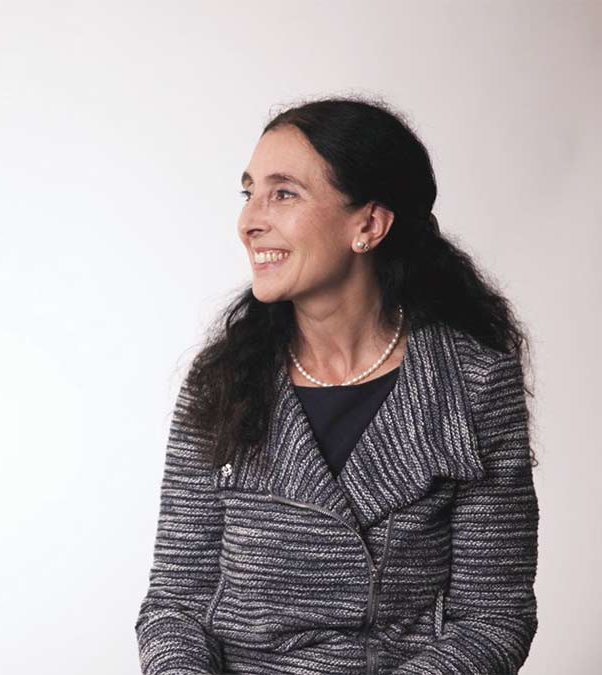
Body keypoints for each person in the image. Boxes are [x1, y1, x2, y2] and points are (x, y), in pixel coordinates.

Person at [135, 98, 538, 674]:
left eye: (284, 193)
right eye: (248, 192)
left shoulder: (473, 382)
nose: (250, 220)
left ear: (368, 225)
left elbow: (494, 618)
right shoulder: (221, 381)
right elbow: (176, 603)